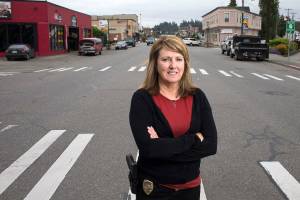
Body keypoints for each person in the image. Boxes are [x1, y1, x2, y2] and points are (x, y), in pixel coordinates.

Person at [129, 35, 217, 200]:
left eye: (178, 59)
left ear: (185, 63)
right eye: (166, 59)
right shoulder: (142, 99)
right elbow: (148, 149)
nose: (173, 65)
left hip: (190, 188)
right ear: (155, 63)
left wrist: (163, 146)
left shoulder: (198, 97)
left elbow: (211, 145)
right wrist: (193, 139)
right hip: (154, 190)